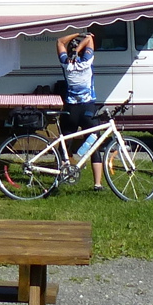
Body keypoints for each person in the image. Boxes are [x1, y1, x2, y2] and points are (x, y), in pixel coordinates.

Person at [56, 31, 104, 188]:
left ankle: (62, 177)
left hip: (71, 110)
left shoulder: (66, 64)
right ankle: (97, 184)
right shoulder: (87, 62)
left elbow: (59, 42)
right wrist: (82, 37)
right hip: (88, 109)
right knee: (94, 145)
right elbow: (90, 38)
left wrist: (74, 35)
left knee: (65, 144)